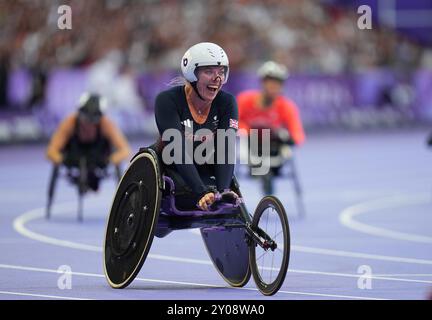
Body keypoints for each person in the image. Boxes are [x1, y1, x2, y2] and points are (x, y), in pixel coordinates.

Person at [152, 42, 239, 211]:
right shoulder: (167, 100)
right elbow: (175, 147)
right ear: (191, 74)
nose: (217, 78)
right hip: (170, 167)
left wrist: (222, 192)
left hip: (205, 164)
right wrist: (201, 191)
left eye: (221, 72)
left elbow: (226, 147)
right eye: (209, 72)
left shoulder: (227, 102)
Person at [237, 61, 306, 193]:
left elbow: (298, 133)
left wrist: (289, 138)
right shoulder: (245, 100)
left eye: (278, 84)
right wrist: (247, 131)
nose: (275, 87)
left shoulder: (286, 106)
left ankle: (266, 176)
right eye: (271, 82)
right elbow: (233, 121)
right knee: (248, 140)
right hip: (251, 149)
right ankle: (260, 173)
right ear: (263, 83)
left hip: (275, 151)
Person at [46, 93, 131, 191]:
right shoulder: (69, 122)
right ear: (79, 113)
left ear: (99, 117)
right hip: (73, 156)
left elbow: (125, 150)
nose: (88, 125)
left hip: (99, 157)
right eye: (85, 119)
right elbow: (51, 151)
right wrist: (62, 159)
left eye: (93, 120)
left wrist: (110, 160)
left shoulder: (106, 124)